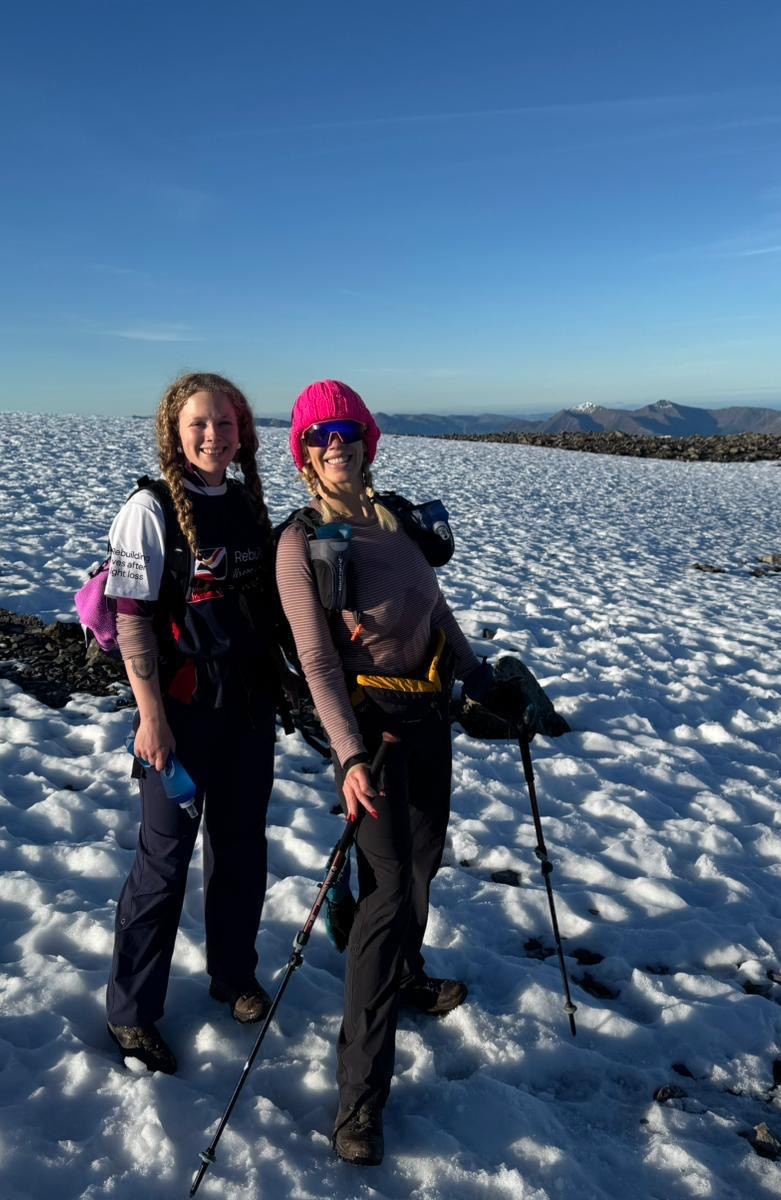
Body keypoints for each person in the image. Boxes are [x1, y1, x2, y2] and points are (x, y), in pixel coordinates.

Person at [274, 379, 521, 1166]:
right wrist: (346, 753)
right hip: (371, 735)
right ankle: (360, 1099)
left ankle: (410, 976)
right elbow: (316, 659)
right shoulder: (298, 541)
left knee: (421, 864)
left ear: (368, 440)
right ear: (304, 455)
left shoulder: (395, 521)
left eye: (347, 431)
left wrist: (481, 680)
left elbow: (438, 614)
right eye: (319, 436)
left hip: (428, 721)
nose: (335, 444)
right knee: (382, 901)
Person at [102, 371, 278, 1075]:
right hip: (176, 715)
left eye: (226, 424)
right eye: (199, 424)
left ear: (244, 435)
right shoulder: (148, 511)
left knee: (241, 847)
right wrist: (150, 719)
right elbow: (133, 618)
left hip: (246, 708)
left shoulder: (246, 506)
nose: (214, 436)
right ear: (174, 433)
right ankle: (132, 1012)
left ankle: (233, 975)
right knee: (164, 860)